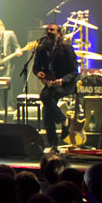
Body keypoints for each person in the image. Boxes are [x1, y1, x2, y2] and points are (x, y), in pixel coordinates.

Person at [33, 23, 78, 152]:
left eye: (51, 30)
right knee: (47, 112)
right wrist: (39, 73)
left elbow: (75, 71)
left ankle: (63, 121)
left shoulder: (66, 48)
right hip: (51, 85)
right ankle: (54, 144)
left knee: (44, 96)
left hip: (65, 85)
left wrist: (62, 80)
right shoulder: (41, 49)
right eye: (47, 30)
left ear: (59, 33)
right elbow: (35, 67)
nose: (48, 31)